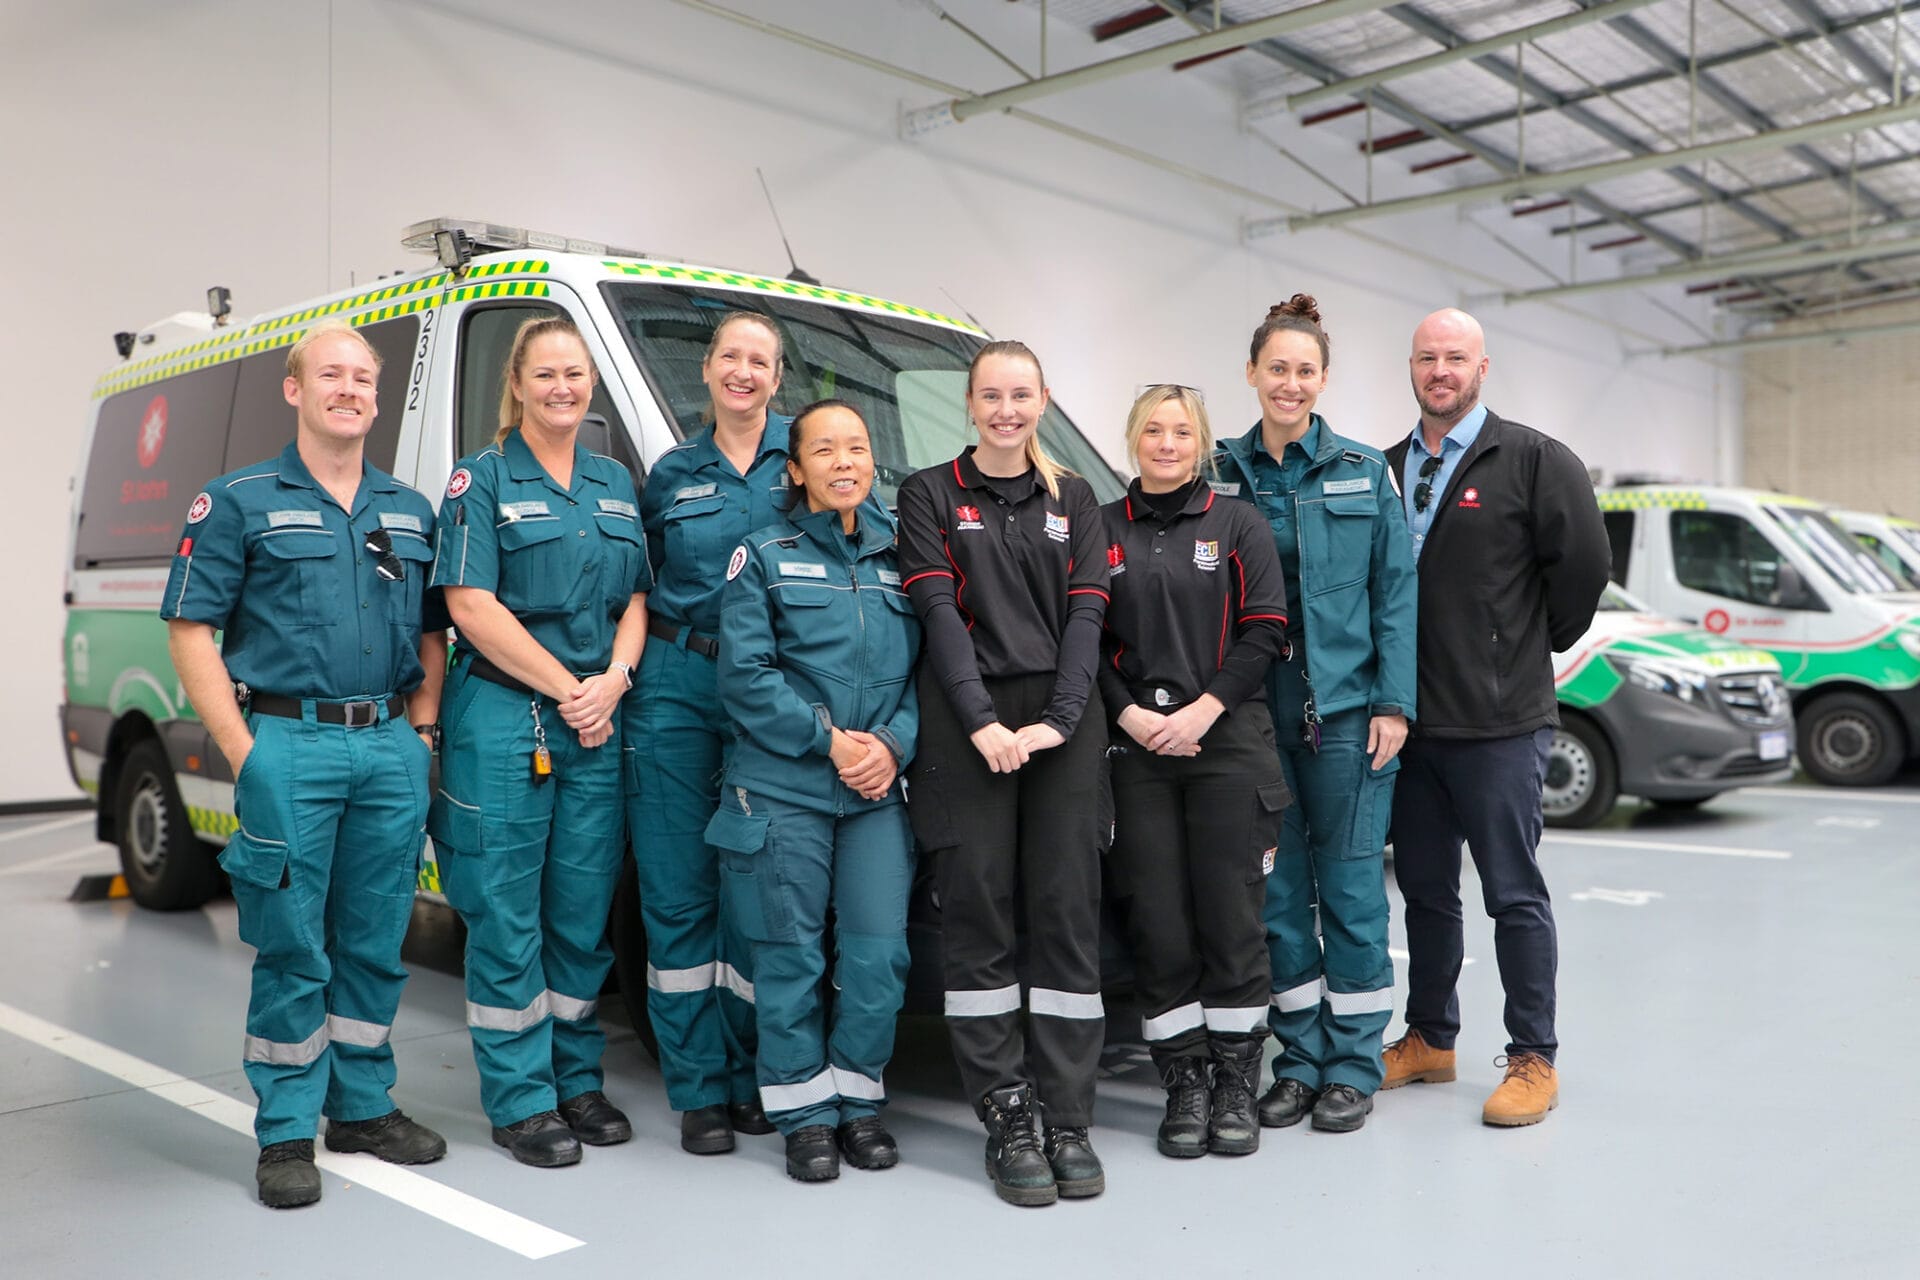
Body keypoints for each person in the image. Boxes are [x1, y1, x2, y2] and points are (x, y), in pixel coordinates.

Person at [162, 321, 447, 1209]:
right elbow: (189, 631)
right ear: (295, 390)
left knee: (374, 936)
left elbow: (433, 632)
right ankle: (287, 1129)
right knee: (292, 942)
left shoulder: (409, 508)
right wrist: (248, 755)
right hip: (290, 742)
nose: (350, 388)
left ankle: (361, 1105)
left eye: (365, 377)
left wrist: (424, 733)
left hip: (390, 746)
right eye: (332, 374)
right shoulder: (237, 500)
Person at [428, 315, 651, 1167]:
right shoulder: (478, 479)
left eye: (576, 374)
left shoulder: (612, 482)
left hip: (596, 715)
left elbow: (636, 597)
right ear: (517, 384)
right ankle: (522, 1100)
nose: (564, 387)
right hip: (507, 717)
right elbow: (470, 605)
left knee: (580, 914)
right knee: (507, 915)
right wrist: (571, 689)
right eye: (546, 374)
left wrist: (615, 682)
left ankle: (575, 1079)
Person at [896, 339, 1111, 1208]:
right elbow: (938, 610)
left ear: (1044, 400)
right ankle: (1006, 1110)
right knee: (978, 907)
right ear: (969, 402)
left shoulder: (1078, 499)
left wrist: (1058, 722)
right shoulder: (929, 494)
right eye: (992, 395)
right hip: (964, 719)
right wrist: (982, 720)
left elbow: (1090, 615)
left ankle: (1065, 1114)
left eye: (1022, 395)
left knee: (1065, 909)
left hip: (1066, 719)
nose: (1007, 410)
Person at [1381, 307, 1609, 1126]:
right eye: (1426, 358)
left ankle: (1532, 1057)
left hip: (1502, 723)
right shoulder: (1385, 466)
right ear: (1410, 368)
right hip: (1409, 725)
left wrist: (1513, 649)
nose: (1440, 370)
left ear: (1484, 368)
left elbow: (1582, 571)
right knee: (1426, 893)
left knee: (1513, 894)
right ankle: (1430, 1039)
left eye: (1456, 358)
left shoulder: (1536, 460)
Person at [1214, 296, 1418, 1135]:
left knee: (1351, 889)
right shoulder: (1218, 471)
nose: (1290, 384)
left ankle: (1354, 1063)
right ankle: (1297, 1058)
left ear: (1322, 379)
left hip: (1344, 713)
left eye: (1305, 371)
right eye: (1277, 369)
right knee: (1277, 892)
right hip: (1252, 716)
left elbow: (1396, 597)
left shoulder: (1366, 472)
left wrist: (1396, 704)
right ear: (1253, 374)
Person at [708, 399, 921, 1183]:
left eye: (856, 448)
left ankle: (859, 1106)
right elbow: (746, 678)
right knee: (788, 955)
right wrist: (831, 742)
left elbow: (930, 672)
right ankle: (802, 1113)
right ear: (795, 470)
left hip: (874, 792)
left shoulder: (907, 555)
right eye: (824, 451)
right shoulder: (762, 554)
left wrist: (893, 746)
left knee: (878, 956)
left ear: (872, 463)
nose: (843, 462)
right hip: (782, 788)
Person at [1097, 384, 1291, 1159]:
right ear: (1133, 438)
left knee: (1231, 918)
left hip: (1227, 744)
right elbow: (1083, 635)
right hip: (1138, 749)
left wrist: (1203, 711)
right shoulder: (1101, 527)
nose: (1167, 443)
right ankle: (1183, 1080)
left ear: (1202, 442)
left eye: (1181, 431)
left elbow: (1267, 627)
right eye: (1153, 429)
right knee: (1161, 923)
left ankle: (1237, 1080)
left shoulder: (1237, 522)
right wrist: (1130, 715)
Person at [623, 310, 789, 1154]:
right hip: (679, 683)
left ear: (777, 378)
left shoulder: (804, 457)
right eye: (731, 356)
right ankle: (697, 1087)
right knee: (678, 883)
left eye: (760, 361)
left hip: (770, 690)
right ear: (709, 369)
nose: (744, 372)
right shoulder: (670, 474)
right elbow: (638, 587)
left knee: (754, 889)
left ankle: (755, 1071)